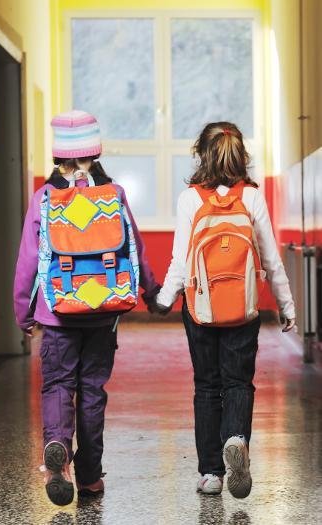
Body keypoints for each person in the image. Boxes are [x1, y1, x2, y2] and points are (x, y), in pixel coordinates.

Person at [14, 110, 160, 506]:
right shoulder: (112, 195)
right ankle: (90, 478)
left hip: (56, 312)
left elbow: (28, 260)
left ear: (58, 155)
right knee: (92, 392)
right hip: (103, 310)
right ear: (95, 152)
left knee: (58, 385)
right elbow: (135, 250)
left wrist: (22, 312)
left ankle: (57, 449)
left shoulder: (45, 198)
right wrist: (151, 291)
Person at [150, 121, 296, 499]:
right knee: (238, 382)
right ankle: (236, 437)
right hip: (243, 307)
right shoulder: (251, 197)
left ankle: (212, 474)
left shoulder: (189, 199)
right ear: (240, 155)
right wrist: (286, 305)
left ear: (201, 153)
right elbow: (270, 257)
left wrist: (165, 299)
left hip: (200, 307)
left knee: (207, 386)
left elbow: (181, 261)